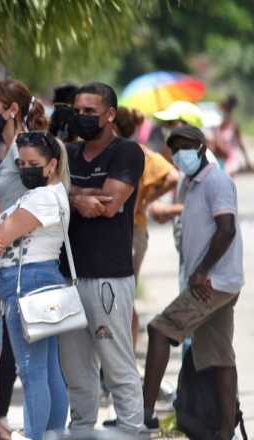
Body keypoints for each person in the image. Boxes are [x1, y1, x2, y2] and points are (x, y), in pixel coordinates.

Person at [141, 126, 243, 439]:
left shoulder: (216, 181)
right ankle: (225, 431)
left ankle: (142, 415)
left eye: (185, 147)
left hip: (211, 283)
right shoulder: (191, 184)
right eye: (175, 150)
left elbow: (226, 229)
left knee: (160, 330)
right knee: (219, 356)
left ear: (201, 148)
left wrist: (201, 271)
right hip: (217, 282)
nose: (179, 155)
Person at [60, 82, 146, 435]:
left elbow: (110, 204)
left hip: (108, 277)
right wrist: (78, 199)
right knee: (76, 368)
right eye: (77, 111)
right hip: (68, 277)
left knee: (116, 362)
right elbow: (48, 192)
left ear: (110, 114)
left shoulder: (126, 152)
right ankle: (81, 428)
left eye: (89, 112)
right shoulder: (68, 153)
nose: (81, 117)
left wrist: (69, 194)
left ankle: (131, 428)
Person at [0, 131, 70, 440]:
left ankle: (36, 435)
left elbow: (0, 238)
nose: (25, 169)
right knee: (48, 368)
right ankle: (54, 434)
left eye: (33, 164)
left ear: (52, 164)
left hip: (27, 283)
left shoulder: (43, 197)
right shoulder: (51, 193)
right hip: (40, 281)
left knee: (32, 370)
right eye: (21, 163)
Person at [114, 107, 179, 346]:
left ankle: (127, 353)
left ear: (113, 126)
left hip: (130, 233)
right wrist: (146, 201)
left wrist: (145, 201)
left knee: (123, 298)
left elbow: (173, 177)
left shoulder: (131, 153)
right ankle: (127, 354)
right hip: (134, 232)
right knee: (124, 296)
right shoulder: (140, 152)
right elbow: (172, 176)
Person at [211, 95, 252, 175]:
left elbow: (240, 143)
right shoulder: (216, 127)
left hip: (231, 160)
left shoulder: (233, 125)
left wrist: (247, 161)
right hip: (220, 159)